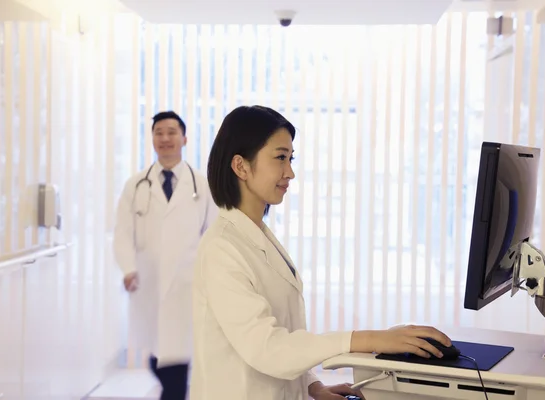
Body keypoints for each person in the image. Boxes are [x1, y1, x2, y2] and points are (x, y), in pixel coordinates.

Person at [190, 105, 453, 400]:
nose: (289, 172)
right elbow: (268, 348)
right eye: (280, 158)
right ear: (241, 166)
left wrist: (313, 387)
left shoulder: (256, 235)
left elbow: (284, 333)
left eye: (291, 159)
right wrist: (371, 339)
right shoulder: (221, 249)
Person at [113, 111, 217, 400]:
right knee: (159, 355)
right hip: (149, 281)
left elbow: (213, 233)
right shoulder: (135, 185)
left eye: (172, 132)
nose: (165, 138)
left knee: (177, 359)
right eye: (159, 132)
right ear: (152, 139)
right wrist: (128, 268)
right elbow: (122, 232)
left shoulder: (202, 185)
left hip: (188, 282)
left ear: (184, 138)